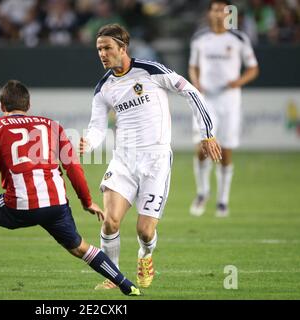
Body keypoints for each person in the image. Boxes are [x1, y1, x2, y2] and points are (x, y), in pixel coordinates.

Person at [0, 80, 141, 297]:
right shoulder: (52, 126)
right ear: (28, 105)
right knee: (80, 248)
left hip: (18, 206)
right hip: (56, 206)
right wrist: (86, 201)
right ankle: (126, 284)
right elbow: (73, 167)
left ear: (2, 106)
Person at [79, 23, 222, 290]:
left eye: (107, 48)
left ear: (123, 48)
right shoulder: (103, 89)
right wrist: (88, 143)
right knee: (110, 221)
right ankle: (113, 276)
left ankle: (145, 256)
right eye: (99, 49)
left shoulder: (151, 71)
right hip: (123, 160)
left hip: (155, 159)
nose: (102, 53)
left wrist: (207, 133)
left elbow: (190, 91)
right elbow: (97, 127)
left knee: (145, 231)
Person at [189, 0, 259, 218]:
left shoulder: (238, 39)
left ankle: (222, 200)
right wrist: (196, 82)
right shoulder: (200, 38)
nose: (219, 13)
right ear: (210, 13)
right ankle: (202, 193)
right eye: (215, 9)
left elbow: (253, 68)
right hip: (206, 100)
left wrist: (237, 82)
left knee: (226, 151)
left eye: (223, 10)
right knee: (202, 148)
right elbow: (193, 66)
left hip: (229, 100)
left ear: (229, 13)